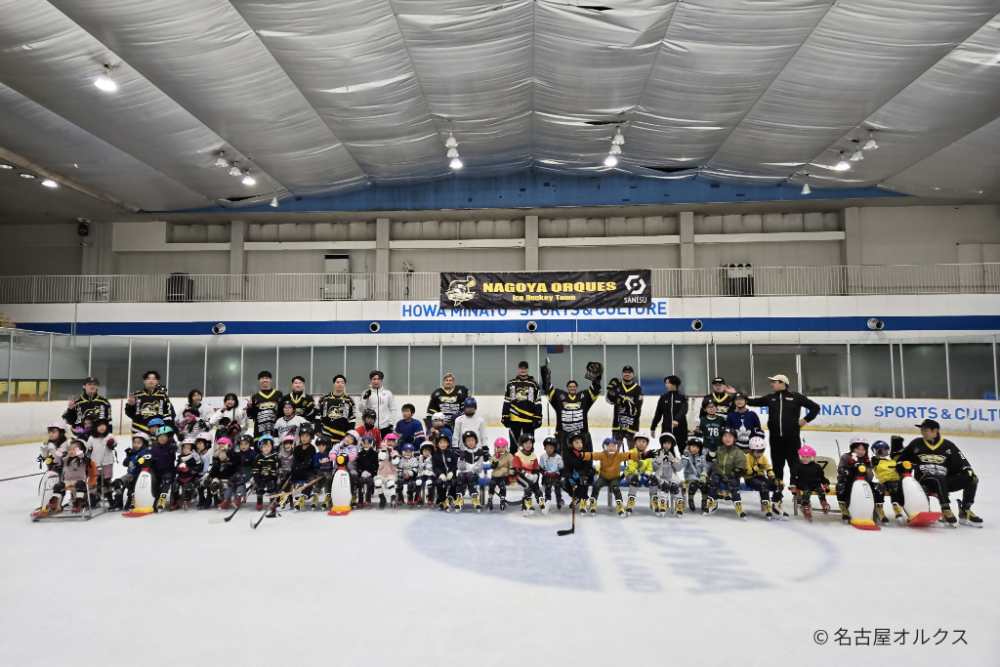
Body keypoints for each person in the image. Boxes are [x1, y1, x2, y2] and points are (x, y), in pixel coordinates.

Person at [897, 419, 981, 527]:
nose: (922, 432)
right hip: (925, 480)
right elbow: (901, 458)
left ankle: (965, 510)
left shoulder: (948, 445)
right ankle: (946, 508)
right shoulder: (916, 444)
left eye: (925, 430)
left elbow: (961, 461)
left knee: (971, 478)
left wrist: (968, 469)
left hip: (945, 481)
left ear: (935, 431)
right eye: (922, 430)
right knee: (939, 478)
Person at [745, 373, 820, 484]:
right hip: (775, 439)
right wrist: (739, 395)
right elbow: (753, 402)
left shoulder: (796, 397)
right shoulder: (771, 398)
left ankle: (798, 490)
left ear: (782, 383)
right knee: (777, 466)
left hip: (792, 438)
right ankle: (777, 492)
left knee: (794, 465)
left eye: (774, 382)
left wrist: (804, 420)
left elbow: (815, 407)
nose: (772, 384)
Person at [576, 437, 655, 517]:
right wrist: (581, 455)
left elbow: (630, 456)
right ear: (604, 447)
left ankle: (619, 505)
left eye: (613, 446)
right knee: (596, 486)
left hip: (615, 478)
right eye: (609, 446)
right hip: (603, 478)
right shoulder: (602, 455)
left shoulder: (619, 455)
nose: (611, 448)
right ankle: (593, 502)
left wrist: (642, 455)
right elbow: (592, 455)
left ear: (616, 447)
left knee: (615, 488)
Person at [540, 362, 602, 455]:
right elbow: (548, 389)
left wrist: (597, 379)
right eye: (570, 386)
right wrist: (545, 378)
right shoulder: (560, 395)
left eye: (574, 386)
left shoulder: (583, 396)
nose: (572, 388)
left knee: (583, 455)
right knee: (563, 456)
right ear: (567, 388)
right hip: (563, 434)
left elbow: (595, 390)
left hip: (581, 433)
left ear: (576, 388)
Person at [836, 436, 882, 524]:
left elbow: (870, 477)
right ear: (852, 448)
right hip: (849, 481)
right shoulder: (846, 457)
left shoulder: (867, 460)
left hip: (864, 482)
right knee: (841, 487)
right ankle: (845, 507)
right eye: (857, 448)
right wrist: (847, 470)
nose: (860, 451)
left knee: (879, 488)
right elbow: (840, 470)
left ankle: (876, 509)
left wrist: (868, 471)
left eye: (863, 449)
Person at [704, 427, 747, 519]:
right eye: (725, 436)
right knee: (711, 481)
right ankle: (713, 503)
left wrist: (732, 474)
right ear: (722, 438)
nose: (727, 439)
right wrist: (711, 451)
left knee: (733, 484)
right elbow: (709, 460)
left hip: (731, 475)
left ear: (735, 439)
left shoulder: (738, 452)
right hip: (718, 473)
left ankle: (738, 506)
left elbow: (741, 468)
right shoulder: (719, 450)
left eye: (730, 436)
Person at [743, 431, 784, 520]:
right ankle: (767, 506)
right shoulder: (746, 457)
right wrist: (757, 467)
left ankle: (776, 504)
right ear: (751, 450)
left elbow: (768, 469)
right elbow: (748, 472)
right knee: (763, 485)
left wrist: (773, 478)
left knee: (778, 485)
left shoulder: (763, 457)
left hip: (760, 477)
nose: (760, 454)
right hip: (750, 479)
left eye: (762, 452)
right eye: (757, 452)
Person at [502, 362, 542, 447]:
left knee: (528, 445)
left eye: (525, 368)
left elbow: (537, 401)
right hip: (514, 419)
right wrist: (505, 415)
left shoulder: (533, 384)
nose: (523, 370)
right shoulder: (511, 383)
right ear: (518, 370)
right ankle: (514, 460)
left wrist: (538, 416)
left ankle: (528, 460)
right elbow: (507, 401)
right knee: (513, 445)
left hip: (529, 419)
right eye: (521, 368)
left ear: (528, 370)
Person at [125, 370, 176, 435]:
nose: (151, 381)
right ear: (144, 381)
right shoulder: (137, 395)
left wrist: (161, 426)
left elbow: (168, 413)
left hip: (157, 429)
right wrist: (131, 405)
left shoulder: (163, 396)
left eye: (154, 379)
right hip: (138, 428)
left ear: (157, 381)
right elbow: (129, 413)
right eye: (148, 378)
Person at [606, 365, 643, 449]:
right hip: (618, 422)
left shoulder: (638, 389)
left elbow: (637, 407)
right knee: (615, 450)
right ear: (622, 374)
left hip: (632, 423)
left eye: (629, 372)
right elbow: (609, 400)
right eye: (625, 372)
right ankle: (616, 462)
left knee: (632, 451)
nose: (627, 374)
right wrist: (611, 391)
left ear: (633, 375)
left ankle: (632, 462)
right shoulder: (617, 386)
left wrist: (623, 401)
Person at [789, 445, 830, 520]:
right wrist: (793, 486)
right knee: (806, 492)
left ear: (812, 457)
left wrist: (826, 483)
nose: (805, 458)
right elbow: (793, 477)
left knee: (820, 490)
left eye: (807, 457)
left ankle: (823, 502)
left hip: (815, 484)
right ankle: (805, 506)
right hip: (802, 484)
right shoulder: (797, 466)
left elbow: (822, 477)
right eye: (803, 456)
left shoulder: (816, 466)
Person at [623, 431, 659, 516]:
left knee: (654, 480)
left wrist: (647, 474)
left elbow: (650, 468)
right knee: (634, 480)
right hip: (631, 474)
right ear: (635, 442)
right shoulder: (631, 452)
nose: (641, 444)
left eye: (643, 442)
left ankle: (653, 501)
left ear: (647, 444)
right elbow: (631, 466)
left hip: (644, 475)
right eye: (639, 441)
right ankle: (630, 503)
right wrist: (638, 474)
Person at [650, 375, 687, 454]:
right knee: (666, 451)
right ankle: (667, 465)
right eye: (666, 383)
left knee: (683, 450)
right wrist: (653, 427)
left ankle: (685, 465)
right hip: (667, 429)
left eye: (669, 383)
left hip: (681, 429)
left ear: (675, 384)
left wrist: (677, 419)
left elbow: (683, 410)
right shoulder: (663, 397)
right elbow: (658, 413)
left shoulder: (682, 397)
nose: (666, 385)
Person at [871, 439, 905, 524]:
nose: (885, 452)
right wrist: (877, 456)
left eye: (886, 450)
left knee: (895, 486)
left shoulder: (892, 461)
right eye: (882, 450)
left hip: (896, 481)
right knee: (883, 487)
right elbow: (873, 463)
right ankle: (879, 509)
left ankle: (897, 507)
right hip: (884, 481)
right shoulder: (875, 461)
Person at [512, 434, 546, 517]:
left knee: (537, 489)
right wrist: (526, 474)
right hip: (520, 476)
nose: (528, 445)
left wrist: (536, 476)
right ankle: (527, 504)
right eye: (526, 443)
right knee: (528, 486)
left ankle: (541, 502)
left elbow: (536, 468)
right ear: (521, 444)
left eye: (530, 443)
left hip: (531, 476)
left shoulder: (533, 455)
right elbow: (516, 469)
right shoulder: (518, 455)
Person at [316, 375, 356, 445]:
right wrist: (318, 430)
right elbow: (318, 415)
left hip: (342, 436)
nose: (340, 384)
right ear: (333, 384)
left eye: (342, 382)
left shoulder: (349, 401)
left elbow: (352, 418)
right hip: (326, 435)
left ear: (345, 385)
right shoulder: (324, 399)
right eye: (337, 382)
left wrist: (350, 434)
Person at [246, 371, 283, 445]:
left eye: (267, 378)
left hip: (275, 430)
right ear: (259, 381)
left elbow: (282, 412)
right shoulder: (255, 397)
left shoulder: (278, 394)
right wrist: (250, 407)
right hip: (259, 431)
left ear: (270, 380)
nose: (264, 380)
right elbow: (251, 416)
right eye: (262, 378)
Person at [651, 432, 684, 516]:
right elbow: (654, 467)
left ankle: (679, 504)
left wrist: (673, 460)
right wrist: (659, 459)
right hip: (661, 478)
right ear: (662, 444)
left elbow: (679, 468)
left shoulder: (674, 456)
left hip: (672, 478)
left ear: (672, 444)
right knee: (665, 486)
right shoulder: (658, 454)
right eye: (664, 443)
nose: (666, 445)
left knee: (674, 487)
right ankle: (663, 503)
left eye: (668, 443)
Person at [85, 418, 116, 507]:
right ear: (95, 427)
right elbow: (88, 448)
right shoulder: (91, 438)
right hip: (95, 462)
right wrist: (86, 455)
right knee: (94, 480)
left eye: (103, 425)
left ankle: (110, 498)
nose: (102, 427)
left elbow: (115, 443)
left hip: (107, 462)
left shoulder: (109, 436)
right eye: (99, 426)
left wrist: (111, 443)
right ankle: (93, 497)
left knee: (107, 480)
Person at [455, 430, 487, 512]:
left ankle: (474, 498)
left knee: (471, 478)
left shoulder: (480, 452)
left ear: (476, 440)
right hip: (463, 474)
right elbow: (460, 468)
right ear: (465, 443)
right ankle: (459, 498)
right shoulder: (464, 453)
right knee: (461, 477)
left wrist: (472, 471)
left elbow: (480, 467)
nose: (470, 442)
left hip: (474, 474)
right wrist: (461, 459)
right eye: (468, 441)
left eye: (472, 440)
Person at [561, 433, 594, 512]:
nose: (579, 444)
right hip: (572, 476)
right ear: (571, 444)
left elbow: (588, 467)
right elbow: (565, 467)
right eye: (576, 443)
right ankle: (576, 496)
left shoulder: (586, 453)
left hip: (585, 475)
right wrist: (569, 476)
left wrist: (579, 473)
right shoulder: (567, 454)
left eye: (580, 442)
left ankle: (583, 499)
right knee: (562, 482)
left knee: (583, 479)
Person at [149, 425, 178, 512]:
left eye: (164, 436)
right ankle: (153, 500)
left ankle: (162, 499)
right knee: (152, 481)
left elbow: (173, 443)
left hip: (169, 471)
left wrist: (171, 437)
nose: (162, 438)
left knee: (167, 479)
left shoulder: (170, 447)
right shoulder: (153, 450)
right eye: (160, 436)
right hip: (157, 472)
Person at [227, 434, 259, 509]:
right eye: (241, 444)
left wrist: (255, 474)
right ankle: (226, 499)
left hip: (248, 472)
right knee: (231, 480)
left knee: (240, 480)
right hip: (238, 472)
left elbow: (256, 465)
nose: (243, 446)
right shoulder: (237, 454)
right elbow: (234, 465)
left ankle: (239, 496)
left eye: (246, 444)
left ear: (250, 444)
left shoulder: (253, 454)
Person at [331, 430, 361, 507]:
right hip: (338, 469)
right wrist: (333, 454)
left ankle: (353, 494)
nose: (348, 439)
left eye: (351, 439)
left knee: (352, 480)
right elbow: (333, 450)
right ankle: (334, 496)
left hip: (350, 469)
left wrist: (352, 456)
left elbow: (355, 453)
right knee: (334, 479)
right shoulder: (338, 445)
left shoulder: (354, 448)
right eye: (347, 437)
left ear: (354, 442)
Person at [290, 427, 317, 510]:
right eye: (302, 436)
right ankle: (286, 498)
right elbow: (295, 461)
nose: (304, 438)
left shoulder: (312, 449)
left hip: (308, 471)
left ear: (311, 437)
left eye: (306, 436)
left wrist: (298, 468)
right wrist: (293, 470)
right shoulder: (297, 448)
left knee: (311, 480)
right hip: (298, 470)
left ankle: (304, 496)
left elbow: (307, 462)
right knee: (286, 476)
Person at [431, 431, 459, 512]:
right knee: (438, 483)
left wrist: (452, 472)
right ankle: (442, 499)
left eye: (445, 442)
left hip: (450, 474)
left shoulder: (451, 454)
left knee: (454, 482)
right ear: (437, 444)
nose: (442, 444)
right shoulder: (435, 455)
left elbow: (455, 465)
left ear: (448, 444)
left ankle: (450, 496)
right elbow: (435, 467)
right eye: (440, 442)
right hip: (441, 475)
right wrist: (440, 474)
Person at [362, 370, 396, 434]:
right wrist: (364, 398)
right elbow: (362, 409)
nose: (376, 381)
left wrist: (391, 424)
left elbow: (393, 409)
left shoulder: (388, 393)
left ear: (381, 380)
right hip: (371, 427)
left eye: (378, 379)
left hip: (385, 427)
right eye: (374, 379)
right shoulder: (366, 393)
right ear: (371, 380)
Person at [252, 437, 281, 512]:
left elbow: (275, 470)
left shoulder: (275, 457)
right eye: (264, 446)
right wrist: (258, 478)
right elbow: (255, 469)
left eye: (268, 446)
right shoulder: (258, 457)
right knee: (259, 486)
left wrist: (269, 478)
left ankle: (272, 500)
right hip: (261, 477)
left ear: (272, 446)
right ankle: (259, 500)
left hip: (271, 478)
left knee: (271, 485)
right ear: (261, 447)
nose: (266, 448)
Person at [681, 438, 709, 514]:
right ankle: (691, 500)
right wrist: (685, 458)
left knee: (705, 485)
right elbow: (682, 466)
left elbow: (705, 466)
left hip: (700, 477)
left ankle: (704, 502)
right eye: (693, 446)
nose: (695, 449)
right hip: (689, 477)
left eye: (697, 447)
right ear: (689, 447)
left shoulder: (702, 457)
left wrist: (704, 474)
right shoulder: (685, 456)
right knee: (693, 485)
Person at [174, 440, 202, 511]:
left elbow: (197, 469)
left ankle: (187, 499)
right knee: (175, 486)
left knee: (187, 486)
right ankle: (176, 500)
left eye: (188, 448)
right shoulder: (180, 458)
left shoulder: (193, 458)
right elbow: (176, 468)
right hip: (181, 477)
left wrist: (188, 469)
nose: (185, 449)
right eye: (184, 448)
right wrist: (178, 468)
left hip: (190, 477)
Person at [487, 437, 513, 512]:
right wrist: (493, 464)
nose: (501, 449)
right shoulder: (494, 456)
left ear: (506, 447)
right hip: (495, 475)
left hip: (504, 475)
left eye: (503, 447)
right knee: (492, 484)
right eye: (499, 447)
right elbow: (491, 463)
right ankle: (490, 499)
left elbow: (512, 466)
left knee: (502, 484)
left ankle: (502, 499)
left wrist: (511, 475)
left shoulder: (509, 456)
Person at [539, 436, 565, 510]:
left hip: (556, 475)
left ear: (555, 448)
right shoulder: (543, 456)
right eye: (547, 448)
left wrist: (558, 474)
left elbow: (561, 468)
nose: (549, 450)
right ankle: (547, 499)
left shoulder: (558, 457)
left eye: (551, 448)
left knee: (557, 484)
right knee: (547, 483)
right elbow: (541, 467)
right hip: (547, 475)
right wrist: (545, 472)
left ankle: (559, 499)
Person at [309, 438, 334, 511]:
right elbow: (316, 467)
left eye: (323, 445)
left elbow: (334, 465)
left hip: (329, 473)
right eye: (319, 445)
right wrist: (318, 472)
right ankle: (315, 497)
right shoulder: (316, 456)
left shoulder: (330, 454)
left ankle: (328, 498)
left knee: (327, 482)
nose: (321, 447)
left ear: (327, 446)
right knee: (317, 484)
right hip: (320, 473)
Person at [374, 438, 399, 510]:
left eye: (392, 442)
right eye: (389, 441)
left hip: (391, 473)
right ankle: (382, 498)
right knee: (378, 482)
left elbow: (395, 462)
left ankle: (393, 497)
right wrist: (384, 450)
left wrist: (393, 455)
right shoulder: (382, 451)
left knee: (390, 483)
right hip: (381, 473)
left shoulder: (395, 452)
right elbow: (381, 458)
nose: (390, 443)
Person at [357, 434, 379, 507]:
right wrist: (362, 471)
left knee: (369, 481)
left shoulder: (375, 454)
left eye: (368, 443)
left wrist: (370, 472)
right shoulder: (360, 454)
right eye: (364, 443)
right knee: (360, 482)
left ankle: (368, 497)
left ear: (372, 444)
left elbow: (376, 465)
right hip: (362, 472)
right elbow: (358, 464)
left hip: (371, 473)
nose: (366, 445)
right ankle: (360, 498)